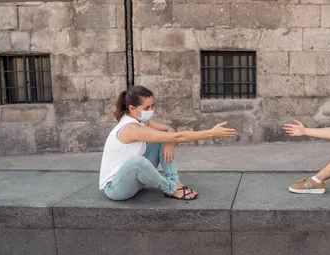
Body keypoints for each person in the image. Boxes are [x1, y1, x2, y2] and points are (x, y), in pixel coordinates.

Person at [99, 85, 236, 201]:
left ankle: (175, 181)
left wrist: (168, 142)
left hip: (133, 181)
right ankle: (171, 188)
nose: (151, 110)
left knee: (161, 140)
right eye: (146, 108)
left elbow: (168, 130)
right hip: (116, 188)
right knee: (137, 161)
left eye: (152, 106)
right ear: (132, 109)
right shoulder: (131, 128)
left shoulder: (140, 120)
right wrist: (211, 133)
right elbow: (177, 136)